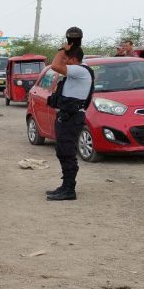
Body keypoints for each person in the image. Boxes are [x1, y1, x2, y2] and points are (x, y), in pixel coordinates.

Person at [46, 45, 93, 201]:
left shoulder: (80, 70)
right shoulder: (78, 69)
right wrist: (71, 45)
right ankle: (66, 185)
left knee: (67, 152)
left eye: (66, 59)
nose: (64, 62)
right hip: (67, 116)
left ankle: (69, 189)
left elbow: (55, 66)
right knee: (63, 151)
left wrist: (61, 50)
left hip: (72, 117)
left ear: (73, 59)